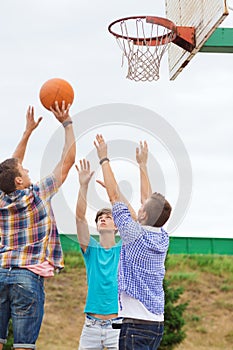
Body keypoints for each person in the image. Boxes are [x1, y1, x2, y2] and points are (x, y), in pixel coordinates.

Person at [0, 102, 76, 350]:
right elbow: (67, 162)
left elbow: (9, 168)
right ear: (20, 180)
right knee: (23, 346)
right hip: (27, 276)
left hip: (1, 272)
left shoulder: (1, 199)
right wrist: (67, 124)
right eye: (24, 170)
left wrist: (27, 133)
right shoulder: (38, 194)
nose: (27, 168)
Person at [94, 134, 172, 350]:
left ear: (144, 216)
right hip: (156, 324)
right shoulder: (162, 236)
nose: (137, 208)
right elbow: (146, 202)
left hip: (135, 325)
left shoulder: (133, 234)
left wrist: (104, 159)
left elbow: (114, 198)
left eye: (140, 209)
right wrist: (142, 165)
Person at [75, 158, 124, 350]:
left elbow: (131, 219)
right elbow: (79, 218)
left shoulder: (124, 250)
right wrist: (83, 185)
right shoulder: (91, 250)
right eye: (100, 218)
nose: (103, 220)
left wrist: (114, 193)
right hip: (91, 326)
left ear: (117, 226)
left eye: (108, 217)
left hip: (117, 326)